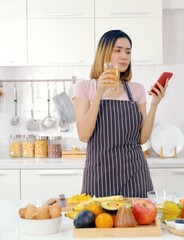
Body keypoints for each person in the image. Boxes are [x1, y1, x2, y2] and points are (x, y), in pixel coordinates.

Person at [72, 29, 168, 198]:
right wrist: (99, 91)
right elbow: (84, 135)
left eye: (128, 51)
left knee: (140, 223)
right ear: (104, 52)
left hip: (136, 174)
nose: (124, 56)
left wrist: (154, 105)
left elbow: (142, 139)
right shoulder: (85, 87)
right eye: (118, 50)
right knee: (98, 223)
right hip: (100, 175)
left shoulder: (136, 89)